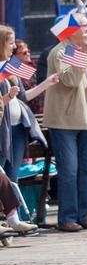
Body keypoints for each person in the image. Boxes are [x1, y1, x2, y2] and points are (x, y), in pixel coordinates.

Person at [45, 23, 87, 232]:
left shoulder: (81, 53)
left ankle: (82, 215)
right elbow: (70, 80)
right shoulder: (62, 51)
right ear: (72, 30)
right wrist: (84, 53)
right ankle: (67, 218)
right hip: (64, 120)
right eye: (84, 26)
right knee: (69, 170)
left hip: (84, 119)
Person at [0, 26, 56, 190]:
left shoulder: (12, 65)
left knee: (13, 175)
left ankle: (13, 207)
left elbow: (23, 97)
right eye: (11, 43)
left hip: (18, 127)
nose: (14, 47)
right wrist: (8, 96)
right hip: (2, 128)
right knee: (1, 172)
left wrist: (47, 83)